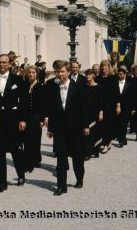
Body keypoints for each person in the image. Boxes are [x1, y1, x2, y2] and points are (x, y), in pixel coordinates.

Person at [46, 61, 88, 196]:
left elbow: (83, 109)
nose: (59, 74)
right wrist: (50, 128)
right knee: (61, 159)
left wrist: (85, 126)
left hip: (75, 128)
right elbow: (51, 110)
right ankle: (61, 186)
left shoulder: (79, 87)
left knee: (77, 157)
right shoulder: (52, 88)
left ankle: (79, 178)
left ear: (68, 72)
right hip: (59, 129)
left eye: (62, 71)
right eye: (57, 72)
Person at [0, 54, 28, 193]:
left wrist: (23, 119)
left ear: (9, 64)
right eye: (0, 62)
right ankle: (2, 182)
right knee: (0, 153)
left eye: (5, 62)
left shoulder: (18, 79)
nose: (2, 65)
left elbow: (24, 101)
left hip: (14, 120)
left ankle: (21, 175)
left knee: (16, 150)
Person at [22, 66, 44, 173]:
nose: (31, 74)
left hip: (36, 116)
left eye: (33, 72)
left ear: (36, 74)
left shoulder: (41, 87)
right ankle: (29, 162)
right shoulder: (24, 86)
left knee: (35, 139)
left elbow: (43, 105)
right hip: (26, 116)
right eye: (29, 72)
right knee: (27, 139)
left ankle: (35, 159)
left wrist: (42, 119)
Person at [82, 69, 104, 160]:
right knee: (88, 132)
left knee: (97, 131)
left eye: (90, 75)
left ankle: (95, 150)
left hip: (96, 112)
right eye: (86, 75)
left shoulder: (99, 87)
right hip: (87, 112)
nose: (88, 76)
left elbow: (101, 101)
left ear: (93, 76)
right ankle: (88, 152)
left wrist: (101, 112)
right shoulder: (84, 87)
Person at [112, 66, 132, 147]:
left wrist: (132, 108)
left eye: (121, 74)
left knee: (124, 124)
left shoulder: (129, 84)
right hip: (116, 106)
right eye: (118, 74)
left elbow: (132, 97)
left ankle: (123, 138)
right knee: (118, 123)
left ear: (125, 74)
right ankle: (121, 139)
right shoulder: (114, 83)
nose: (119, 75)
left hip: (126, 107)